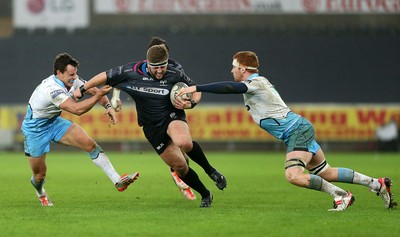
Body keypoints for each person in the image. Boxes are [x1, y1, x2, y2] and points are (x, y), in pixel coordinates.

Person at [177, 50, 397, 211]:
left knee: (293, 175)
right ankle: (376, 184)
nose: (231, 70)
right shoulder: (257, 83)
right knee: (326, 172)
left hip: (296, 131)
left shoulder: (256, 82)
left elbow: (230, 87)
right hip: (299, 127)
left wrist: (197, 87)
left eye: (234, 67)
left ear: (243, 69)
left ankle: (341, 195)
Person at [76, 45, 225, 208]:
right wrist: (82, 89)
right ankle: (205, 194)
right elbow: (103, 76)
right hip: (151, 127)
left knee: (183, 142)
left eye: (163, 66)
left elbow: (195, 89)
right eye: (157, 68)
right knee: (180, 166)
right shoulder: (129, 72)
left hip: (172, 115)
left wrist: (192, 103)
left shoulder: (174, 73)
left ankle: (211, 171)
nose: (161, 71)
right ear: (148, 64)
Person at [21, 53, 139, 206]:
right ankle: (40, 192)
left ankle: (117, 180)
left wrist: (108, 106)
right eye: (71, 74)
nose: (74, 77)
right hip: (35, 130)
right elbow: (77, 110)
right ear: (59, 73)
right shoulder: (52, 89)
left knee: (90, 145)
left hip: (54, 122)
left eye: (75, 73)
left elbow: (95, 90)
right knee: (39, 175)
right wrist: (99, 97)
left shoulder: (73, 80)